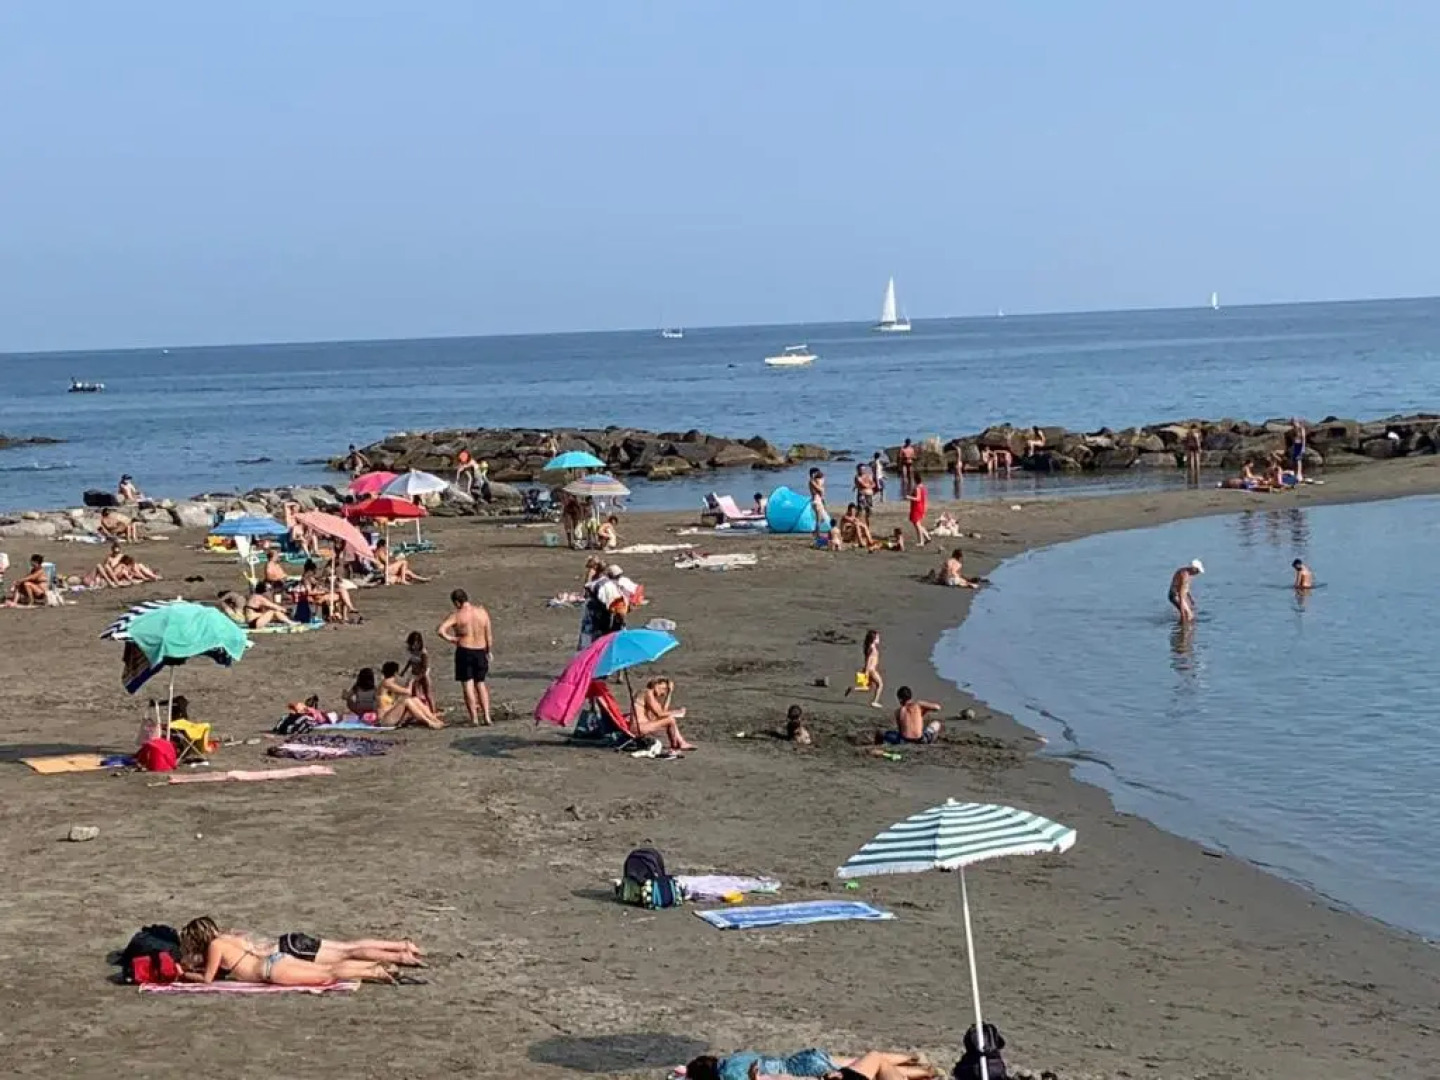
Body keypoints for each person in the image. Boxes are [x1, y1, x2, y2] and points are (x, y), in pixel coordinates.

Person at [177, 917, 398, 987]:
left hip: (269, 971)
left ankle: (376, 972)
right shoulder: (229, 938)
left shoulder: (216, 946)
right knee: (326, 968)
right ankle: (374, 968)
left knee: (327, 975)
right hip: (275, 958)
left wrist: (183, 974)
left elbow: (208, 979)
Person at [683, 1049, 934, 1080]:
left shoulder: (730, 1079)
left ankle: (923, 1072)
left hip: (801, 1074)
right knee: (862, 1062)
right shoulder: (738, 1058)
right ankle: (912, 1057)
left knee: (865, 1070)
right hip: (800, 1060)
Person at [438, 588, 493, 726]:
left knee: (468, 684)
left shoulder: (457, 615)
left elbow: (440, 630)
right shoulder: (482, 612)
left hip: (465, 649)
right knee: (480, 683)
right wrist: (489, 651)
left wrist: (452, 639)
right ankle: (487, 716)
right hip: (481, 649)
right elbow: (489, 636)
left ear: (457, 602)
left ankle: (474, 718)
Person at [632, 676, 695, 751]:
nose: (663, 692)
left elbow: (663, 712)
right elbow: (660, 714)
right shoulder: (647, 692)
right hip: (639, 727)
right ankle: (678, 744)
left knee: (669, 719)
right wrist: (677, 712)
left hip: (643, 726)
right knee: (670, 719)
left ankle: (679, 743)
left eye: (666, 690)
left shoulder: (650, 695)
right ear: (656, 684)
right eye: (663, 689)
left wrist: (669, 693)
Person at [378, 660, 444, 728]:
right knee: (407, 701)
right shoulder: (387, 683)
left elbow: (405, 693)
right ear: (395, 673)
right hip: (385, 720)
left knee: (414, 699)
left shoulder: (389, 683)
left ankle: (434, 719)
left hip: (392, 715)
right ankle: (429, 722)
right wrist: (412, 680)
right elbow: (408, 692)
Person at [218, 584, 295, 629]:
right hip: (255, 623)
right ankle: (290, 623)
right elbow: (274, 606)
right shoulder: (259, 598)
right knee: (273, 611)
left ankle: (290, 622)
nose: (269, 592)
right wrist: (285, 610)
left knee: (272, 613)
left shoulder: (253, 597)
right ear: (264, 591)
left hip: (252, 622)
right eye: (268, 591)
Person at [844, 630, 884, 708]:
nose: (879, 639)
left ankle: (853, 689)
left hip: (868, 670)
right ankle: (875, 702)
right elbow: (869, 660)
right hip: (871, 670)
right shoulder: (872, 649)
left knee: (867, 687)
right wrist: (866, 672)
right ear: (873, 639)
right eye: (877, 638)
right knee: (880, 684)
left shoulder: (869, 647)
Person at [401, 630, 437, 711]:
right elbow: (410, 661)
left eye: (415, 644)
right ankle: (420, 710)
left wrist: (418, 678)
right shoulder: (412, 651)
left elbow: (424, 667)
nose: (413, 646)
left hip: (423, 675)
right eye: (412, 644)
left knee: (428, 694)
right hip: (414, 674)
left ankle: (433, 712)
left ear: (419, 643)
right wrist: (404, 671)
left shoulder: (423, 652)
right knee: (415, 695)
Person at [1168, 559, 1204, 623]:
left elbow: (1186, 588)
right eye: (1198, 571)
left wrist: (1190, 598)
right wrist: (1183, 615)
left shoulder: (1187, 572)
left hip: (1178, 594)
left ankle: (1184, 625)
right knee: (1188, 616)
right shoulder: (1185, 576)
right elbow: (1181, 596)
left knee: (1190, 614)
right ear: (1194, 569)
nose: (1198, 573)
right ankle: (1184, 626)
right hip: (1175, 596)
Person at [906, 471, 931, 547]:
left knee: (917, 525)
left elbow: (918, 498)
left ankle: (921, 541)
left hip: (917, 507)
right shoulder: (922, 487)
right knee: (918, 524)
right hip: (920, 507)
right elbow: (924, 498)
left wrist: (909, 497)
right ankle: (927, 537)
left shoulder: (918, 488)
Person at [807, 468, 828, 545]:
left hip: (818, 500)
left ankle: (816, 532)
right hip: (816, 500)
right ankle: (817, 533)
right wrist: (821, 486)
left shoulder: (814, 481)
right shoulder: (812, 481)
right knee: (818, 519)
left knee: (820, 518)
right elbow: (820, 490)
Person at [1287, 417, 1307, 482]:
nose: (1293, 425)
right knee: (1294, 459)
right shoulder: (1293, 430)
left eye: (1294, 423)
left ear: (1297, 422)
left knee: (1299, 459)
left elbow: (1303, 439)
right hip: (1295, 445)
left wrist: (1303, 448)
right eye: (1292, 423)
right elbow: (1293, 439)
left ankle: (1299, 474)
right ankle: (1295, 474)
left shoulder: (1301, 429)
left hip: (1300, 445)